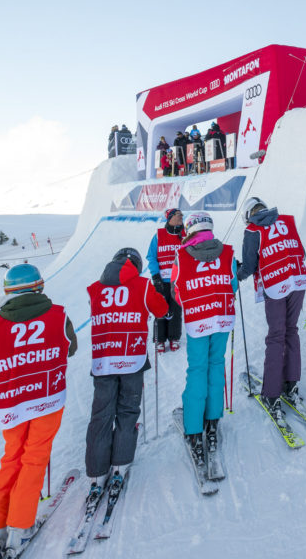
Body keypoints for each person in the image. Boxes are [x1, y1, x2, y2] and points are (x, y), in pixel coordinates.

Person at [0, 264, 77, 556]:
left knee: (12, 458)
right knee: (34, 458)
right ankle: (20, 525)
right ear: (39, 286)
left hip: (12, 403)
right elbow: (70, 348)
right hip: (46, 398)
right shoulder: (58, 314)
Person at [84, 248, 168, 503]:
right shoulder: (143, 285)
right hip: (132, 358)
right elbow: (161, 309)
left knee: (101, 414)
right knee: (128, 410)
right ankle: (120, 464)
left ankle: (97, 473)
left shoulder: (94, 288)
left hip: (104, 359)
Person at [171, 212, 237, 464]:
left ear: (189, 230)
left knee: (198, 369)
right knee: (216, 365)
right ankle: (212, 420)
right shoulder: (227, 252)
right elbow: (233, 285)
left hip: (198, 321)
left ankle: (194, 428)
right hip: (222, 318)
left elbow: (177, 291)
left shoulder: (181, 255)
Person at [237, 197, 306, 420]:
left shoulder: (253, 231)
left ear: (249, 215)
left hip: (276, 285)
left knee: (276, 336)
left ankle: (271, 394)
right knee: (291, 331)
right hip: (298, 280)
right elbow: (302, 252)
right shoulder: (286, 220)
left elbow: (249, 266)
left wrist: (236, 273)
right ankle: (291, 383)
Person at [146, 208, 185, 351]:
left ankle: (174, 337)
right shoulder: (159, 235)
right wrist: (156, 276)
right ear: (170, 218)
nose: (181, 217)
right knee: (160, 308)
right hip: (162, 280)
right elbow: (151, 257)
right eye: (178, 215)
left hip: (178, 279)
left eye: (182, 214)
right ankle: (160, 339)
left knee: (176, 309)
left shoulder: (185, 234)